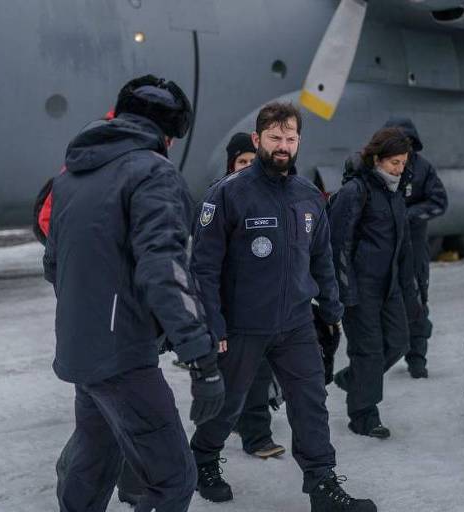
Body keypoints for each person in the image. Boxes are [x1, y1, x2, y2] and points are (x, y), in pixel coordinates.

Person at [42, 75, 225, 512]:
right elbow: (165, 268)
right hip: (124, 358)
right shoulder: (154, 173)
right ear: (168, 133)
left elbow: (54, 265)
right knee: (173, 480)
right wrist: (201, 358)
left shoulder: (69, 179)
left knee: (92, 463)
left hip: (82, 352)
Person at [190, 102, 376, 512]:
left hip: (295, 324)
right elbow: (203, 268)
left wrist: (331, 307)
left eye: (290, 138)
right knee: (229, 403)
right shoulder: (228, 195)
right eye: (274, 138)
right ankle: (203, 458)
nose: (283, 146)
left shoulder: (308, 196)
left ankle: (322, 485)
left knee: (310, 403)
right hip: (242, 326)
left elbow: (322, 256)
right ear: (257, 140)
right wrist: (214, 326)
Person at [329, 128, 422, 439]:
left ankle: (353, 379)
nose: (399, 169)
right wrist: (346, 292)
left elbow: (404, 245)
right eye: (394, 163)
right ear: (377, 160)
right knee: (368, 351)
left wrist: (411, 291)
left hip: (390, 286)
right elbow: (338, 244)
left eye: (403, 163)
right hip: (361, 287)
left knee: (399, 342)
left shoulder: (395, 193)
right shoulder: (356, 191)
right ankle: (363, 416)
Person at [222, 132, 287, 459]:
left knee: (258, 372)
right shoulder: (217, 200)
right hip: (228, 307)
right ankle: (224, 429)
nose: (248, 167)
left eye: (252, 161)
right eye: (241, 161)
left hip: (262, 305)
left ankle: (257, 436)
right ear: (232, 164)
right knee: (233, 375)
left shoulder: (271, 197)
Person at [383, 117, 448, 379]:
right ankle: (384, 354)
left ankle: (417, 357)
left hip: (414, 248)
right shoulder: (378, 168)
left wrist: (407, 215)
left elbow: (439, 202)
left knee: (418, 301)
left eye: (407, 143)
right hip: (383, 249)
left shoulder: (423, 169)